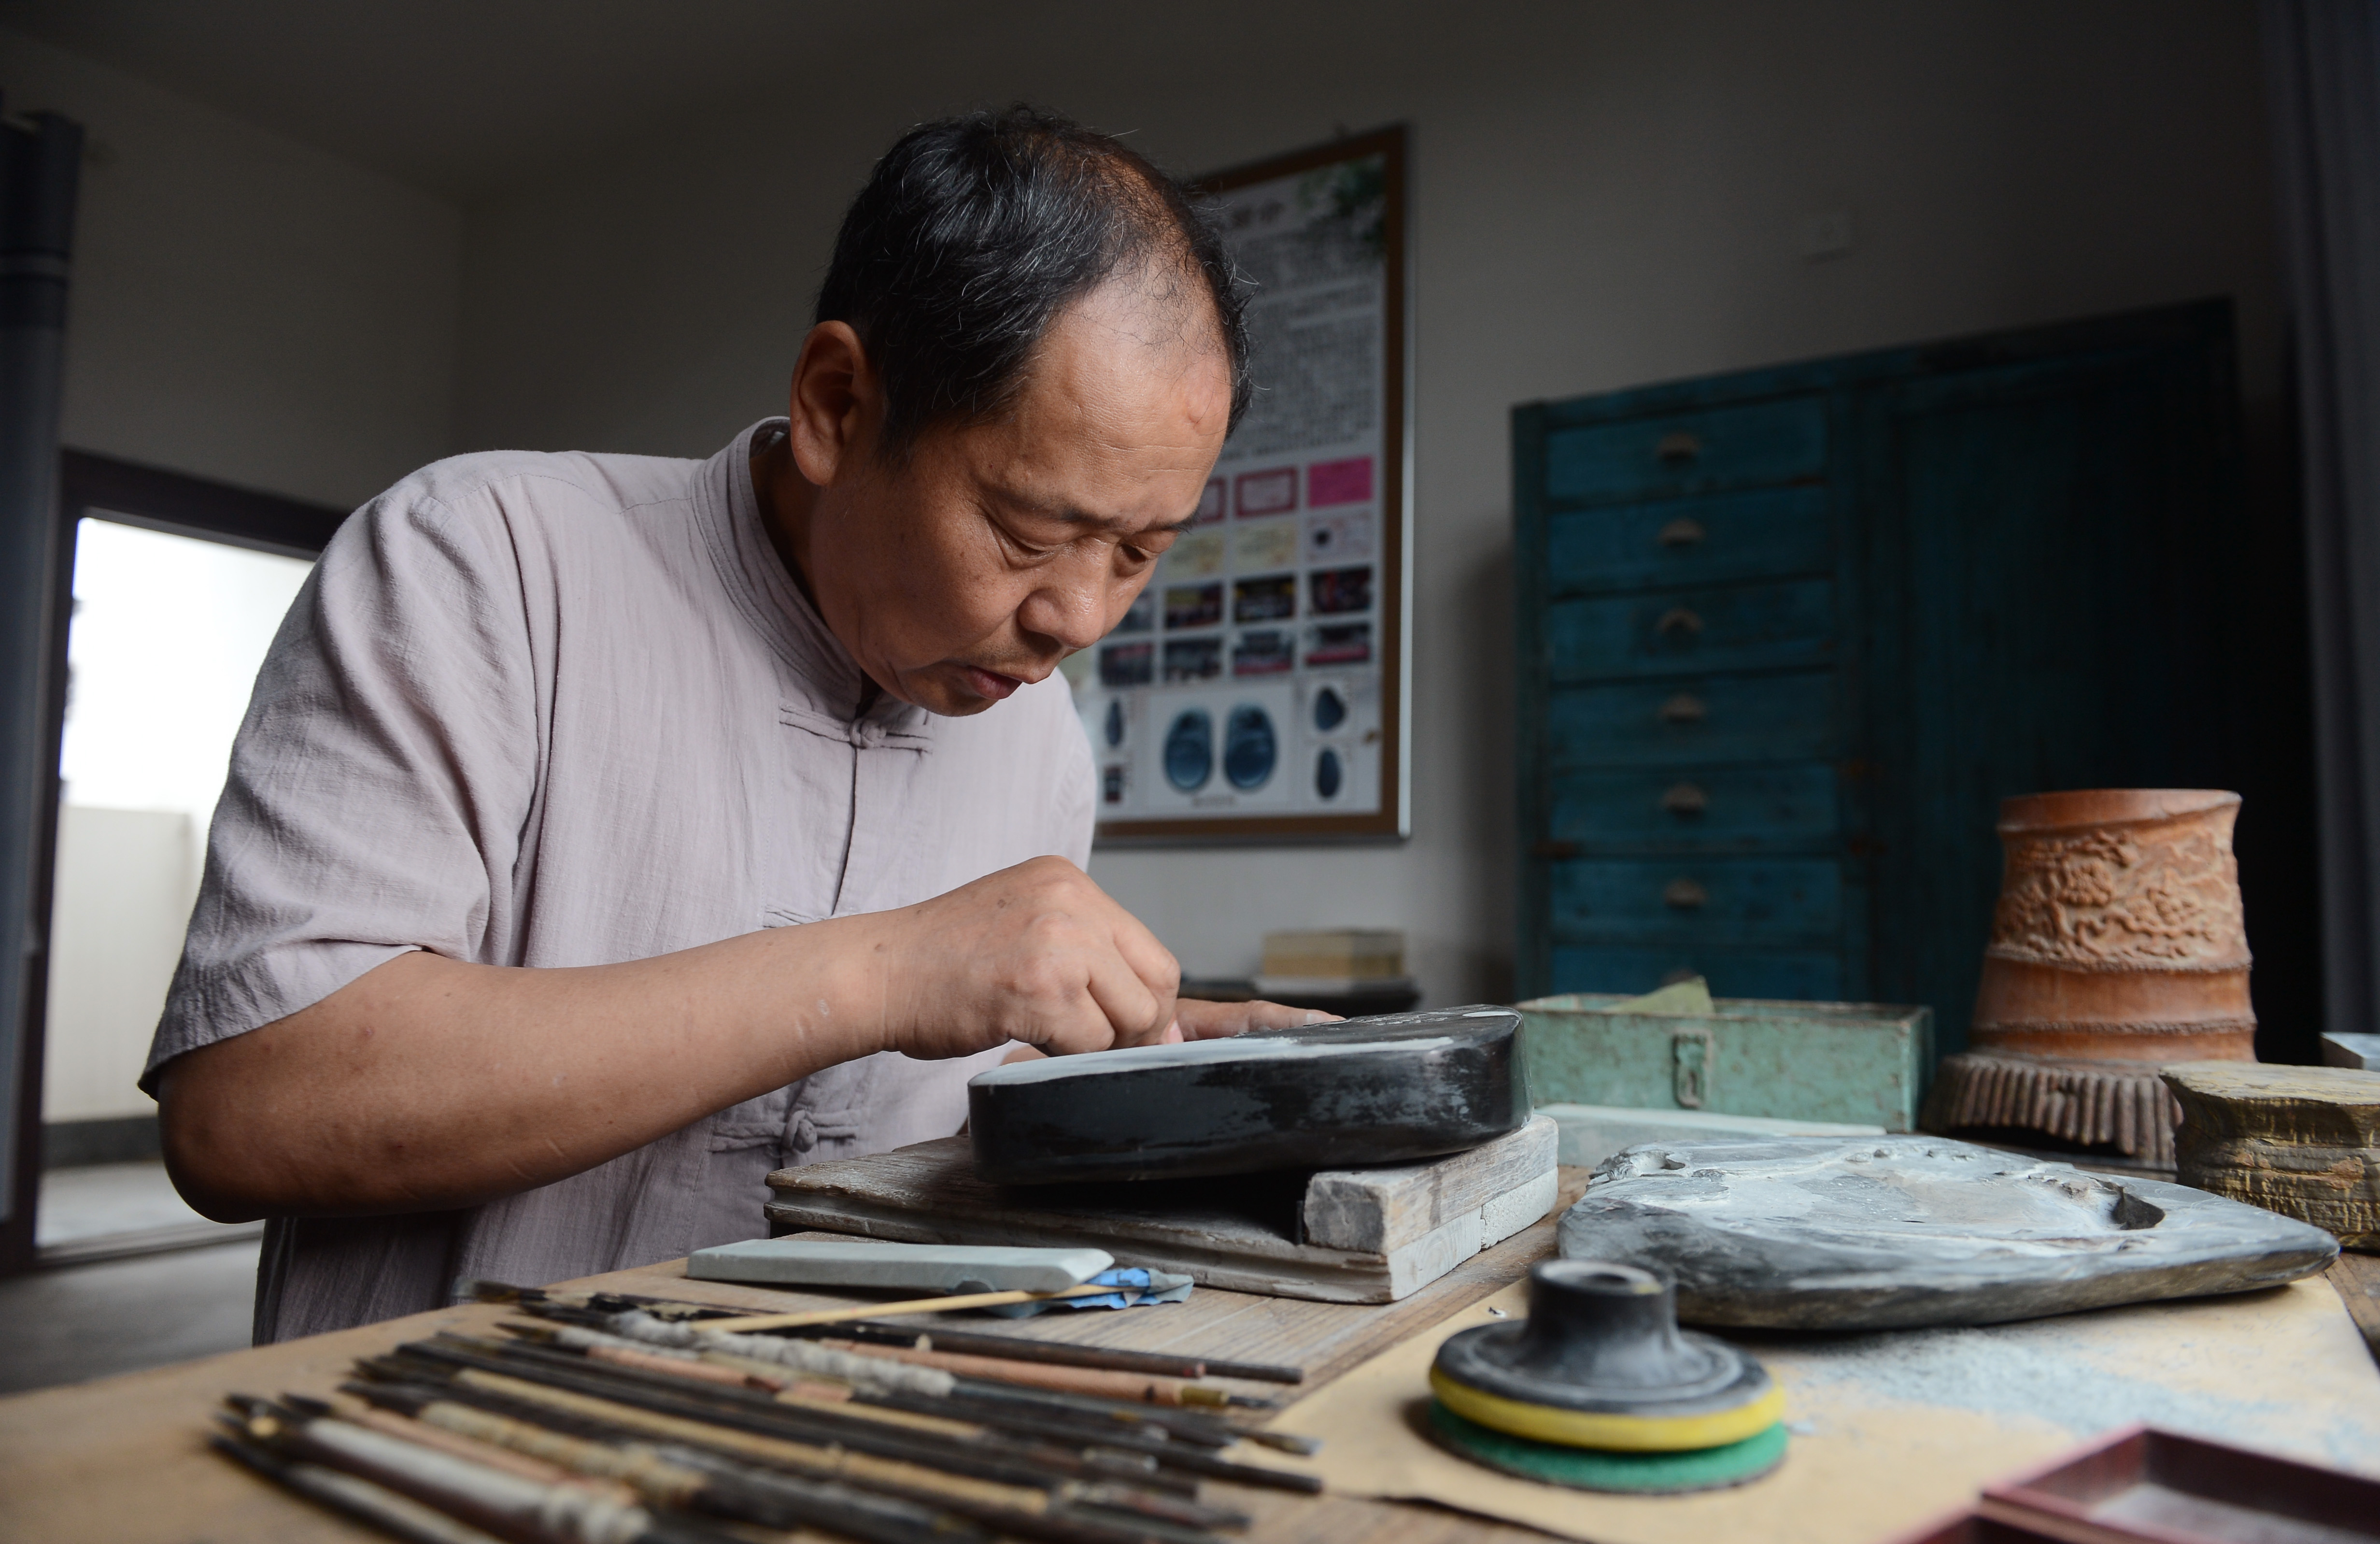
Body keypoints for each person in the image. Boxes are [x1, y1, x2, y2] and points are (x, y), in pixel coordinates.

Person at [146, 106, 1320, 1341]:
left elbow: (941, 1146)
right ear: (835, 405)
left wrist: (1127, 1073)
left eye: (1138, 552)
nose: (1079, 615)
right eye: (1027, 534)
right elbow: (249, 1108)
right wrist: (877, 972)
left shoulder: (1042, 738)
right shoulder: (483, 561)